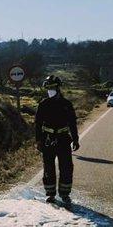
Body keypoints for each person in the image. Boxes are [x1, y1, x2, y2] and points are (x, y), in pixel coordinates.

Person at [34, 75, 79, 208]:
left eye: (52, 87)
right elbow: (37, 124)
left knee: (66, 167)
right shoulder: (43, 104)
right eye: (48, 88)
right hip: (47, 139)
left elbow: (72, 123)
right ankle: (50, 193)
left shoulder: (66, 104)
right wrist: (38, 140)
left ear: (58, 88)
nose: (50, 90)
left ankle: (65, 193)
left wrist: (75, 139)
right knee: (48, 167)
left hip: (63, 139)